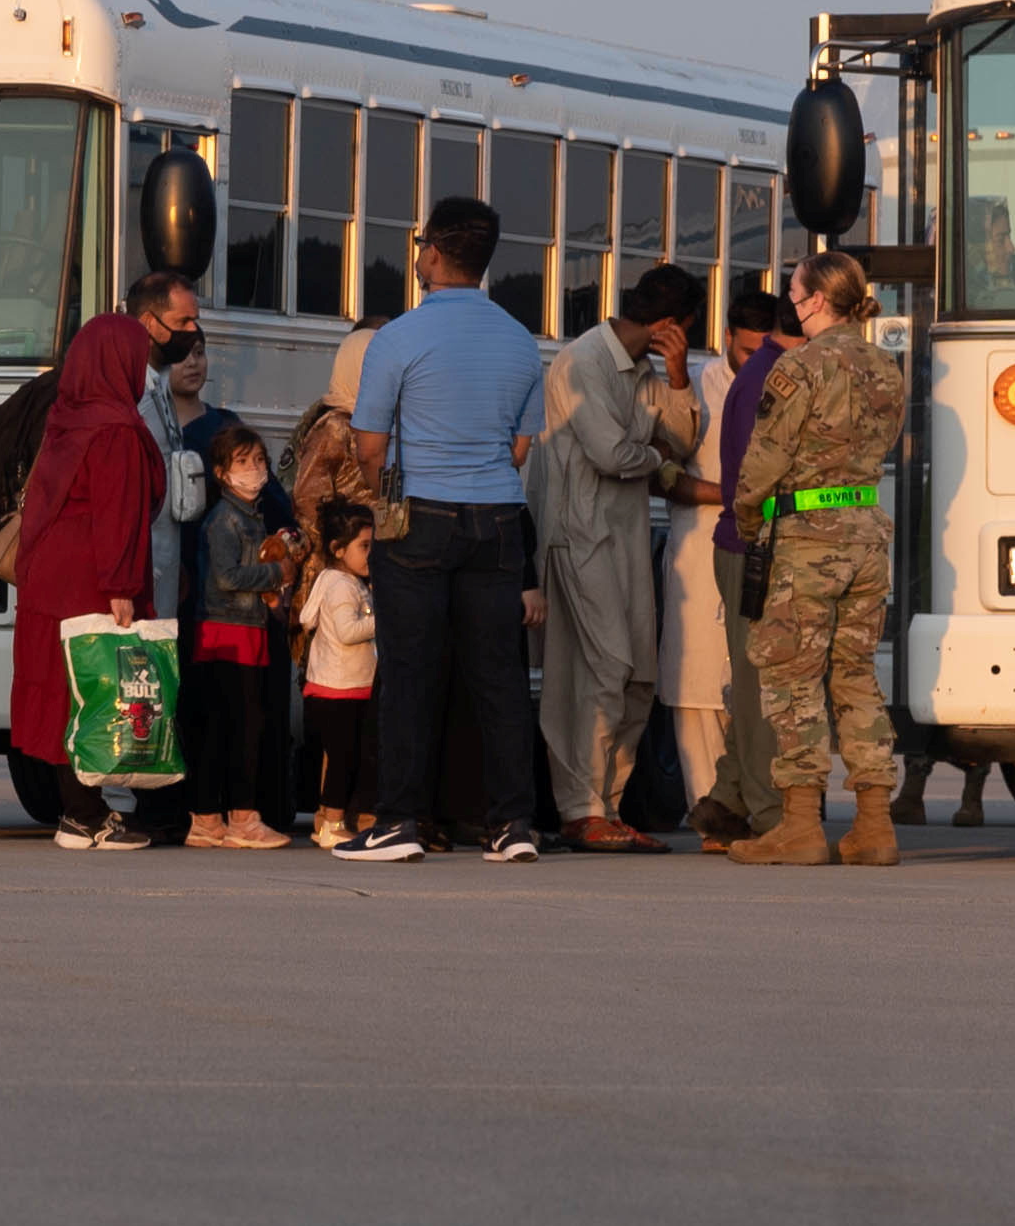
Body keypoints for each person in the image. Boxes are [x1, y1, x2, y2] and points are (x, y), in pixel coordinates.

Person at [336, 196, 548, 863]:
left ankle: (400, 820)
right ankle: (513, 824)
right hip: (499, 520)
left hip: (419, 515)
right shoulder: (520, 340)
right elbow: (520, 448)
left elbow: (369, 445)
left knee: (410, 674)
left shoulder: (398, 337)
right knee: (500, 678)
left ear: (430, 253)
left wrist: (387, 496)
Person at [8, 271, 195, 851]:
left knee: (65, 694)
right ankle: (85, 817)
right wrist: (122, 588)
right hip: (91, 579)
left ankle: (81, 811)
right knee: (96, 693)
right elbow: (117, 516)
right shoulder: (116, 430)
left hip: (51, 580)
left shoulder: (67, 420)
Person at [732, 252, 906, 866]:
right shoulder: (886, 367)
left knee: (792, 677)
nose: (790, 303)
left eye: (794, 293)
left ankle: (801, 824)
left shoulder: (800, 365)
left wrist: (748, 519)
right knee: (856, 676)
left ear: (817, 301)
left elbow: (765, 459)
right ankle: (875, 825)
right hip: (866, 533)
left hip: (806, 539)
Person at [529, 265, 709, 851]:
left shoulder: (649, 373)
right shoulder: (583, 361)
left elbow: (680, 441)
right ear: (668, 323)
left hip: (625, 534)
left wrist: (678, 378)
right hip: (578, 534)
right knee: (601, 668)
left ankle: (606, 806)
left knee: (637, 676)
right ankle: (580, 808)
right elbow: (612, 454)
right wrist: (655, 459)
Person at [673, 278, 794, 845]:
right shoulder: (699, 384)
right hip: (714, 543)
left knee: (750, 682)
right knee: (702, 689)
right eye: (745, 349)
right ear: (727, 338)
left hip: (760, 540)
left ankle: (730, 801)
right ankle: (722, 808)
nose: (754, 357)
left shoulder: (784, 375)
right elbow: (665, 468)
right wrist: (731, 496)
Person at [179, 424, 293, 849]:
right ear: (221, 472)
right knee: (240, 726)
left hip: (242, 629)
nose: (254, 469)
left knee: (227, 727)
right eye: (243, 462)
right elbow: (227, 577)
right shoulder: (224, 520)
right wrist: (276, 573)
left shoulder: (252, 516)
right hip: (228, 632)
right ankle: (240, 818)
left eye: (260, 460)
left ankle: (209, 818)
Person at [296, 501, 380, 847]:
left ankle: (334, 819)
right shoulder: (343, 586)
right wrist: (384, 618)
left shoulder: (333, 580)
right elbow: (348, 631)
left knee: (346, 757)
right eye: (364, 546)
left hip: (338, 687)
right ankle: (331, 823)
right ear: (338, 549)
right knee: (343, 759)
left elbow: (307, 618)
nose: (371, 555)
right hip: (341, 689)